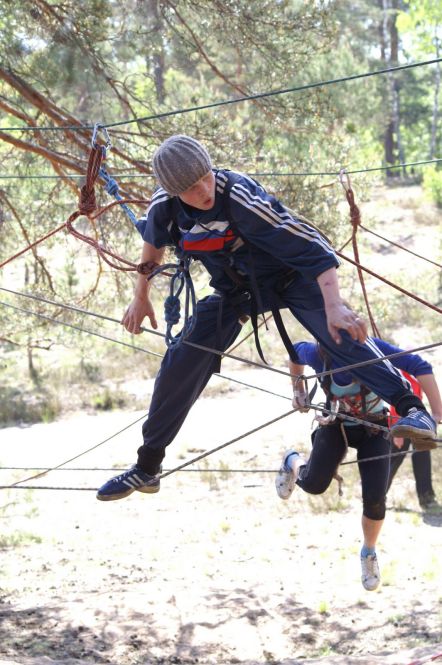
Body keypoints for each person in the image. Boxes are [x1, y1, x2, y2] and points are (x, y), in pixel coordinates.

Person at [96, 134, 437, 502]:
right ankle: (147, 467)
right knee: (182, 357)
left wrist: (334, 305)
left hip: (292, 278)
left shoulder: (239, 197)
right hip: (235, 291)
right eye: (192, 188)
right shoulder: (165, 207)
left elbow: (312, 248)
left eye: (206, 178)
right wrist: (140, 296)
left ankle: (413, 411)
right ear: (175, 191)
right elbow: (152, 245)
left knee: (339, 334)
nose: (204, 190)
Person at [275, 339, 442, 591]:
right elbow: (294, 353)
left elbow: (420, 365)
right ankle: (291, 459)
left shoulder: (373, 349)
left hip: (374, 428)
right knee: (313, 484)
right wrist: (298, 391)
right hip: (335, 424)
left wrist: (437, 413)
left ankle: (368, 552)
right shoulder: (319, 353)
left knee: (375, 498)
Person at [387, 371, 441, 511]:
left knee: (423, 458)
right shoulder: (398, 373)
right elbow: (395, 402)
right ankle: (378, 495)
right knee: (392, 461)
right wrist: (397, 432)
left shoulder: (416, 375)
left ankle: (426, 498)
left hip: (418, 424)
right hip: (401, 425)